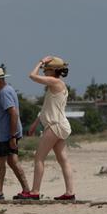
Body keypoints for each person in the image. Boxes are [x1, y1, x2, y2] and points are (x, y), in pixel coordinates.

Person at [18, 56, 75, 201]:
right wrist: (36, 123)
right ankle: (70, 193)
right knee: (63, 160)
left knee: (39, 157)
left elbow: (32, 76)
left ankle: (35, 191)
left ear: (53, 71)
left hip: (55, 125)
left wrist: (40, 62)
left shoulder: (54, 82)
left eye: (46, 69)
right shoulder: (58, 85)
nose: (44, 72)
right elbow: (48, 108)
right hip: (60, 124)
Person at [0, 67, 30, 200]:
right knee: (13, 161)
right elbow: (1, 117)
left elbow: (13, 113)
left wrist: (12, 136)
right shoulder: (6, 91)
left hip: (7, 135)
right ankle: (27, 190)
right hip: (5, 134)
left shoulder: (4, 93)